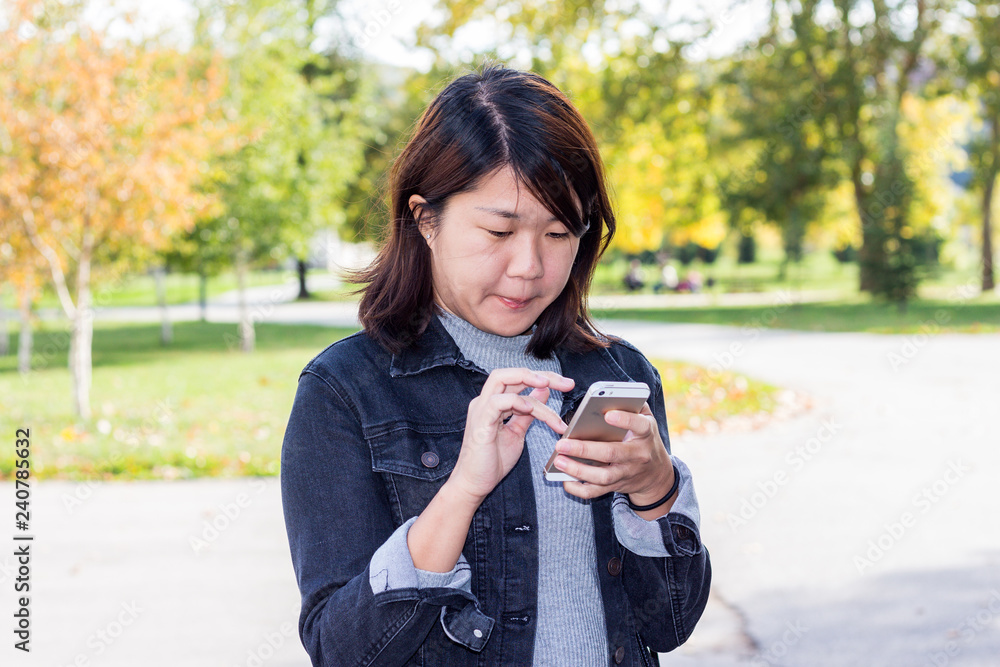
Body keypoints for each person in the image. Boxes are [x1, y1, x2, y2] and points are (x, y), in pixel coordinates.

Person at [280, 64, 711, 667]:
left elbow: (668, 624)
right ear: (425, 220)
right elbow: (341, 649)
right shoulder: (346, 392)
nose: (529, 266)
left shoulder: (615, 375)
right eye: (499, 230)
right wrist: (463, 490)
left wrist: (654, 489)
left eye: (560, 234)